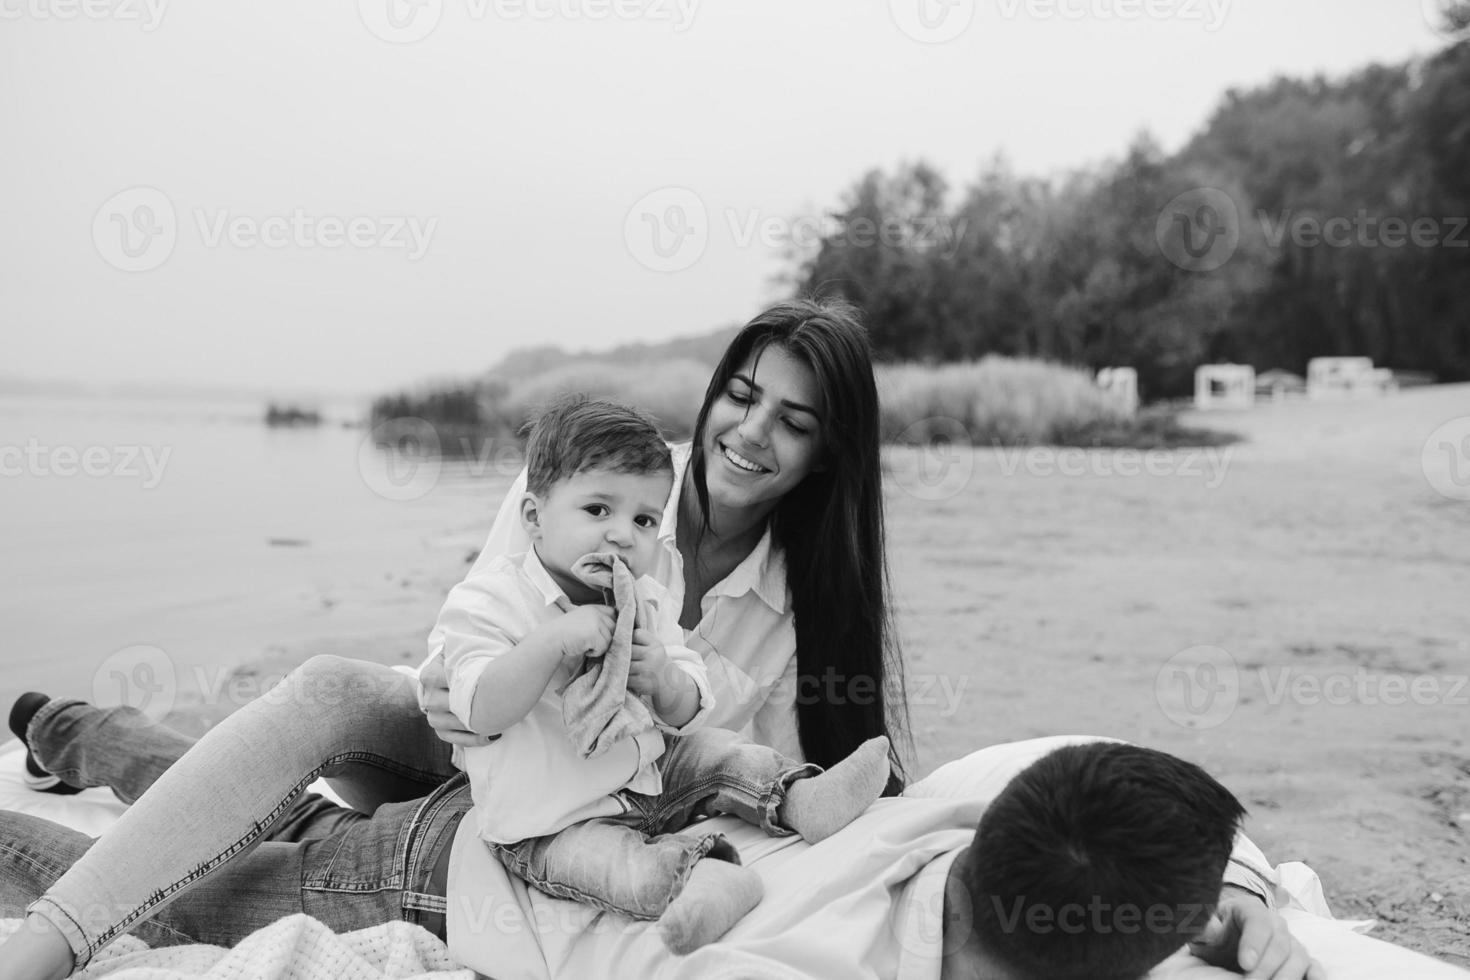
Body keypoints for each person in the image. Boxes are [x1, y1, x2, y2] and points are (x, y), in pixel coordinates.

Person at [0, 298, 912, 974]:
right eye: (742, 397)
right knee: (336, 690)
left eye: (792, 422)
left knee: (277, 819)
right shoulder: (608, 477)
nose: (750, 434)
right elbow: (470, 650)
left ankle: (70, 728)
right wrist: (479, 680)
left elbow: (762, 780)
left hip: (587, 797)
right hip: (469, 737)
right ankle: (57, 856)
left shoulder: (807, 607)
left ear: (827, 451)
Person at [0, 737, 1336, 980]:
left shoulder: (986, 804)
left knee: (213, 791)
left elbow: (1129, 778)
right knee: (141, 878)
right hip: (439, 876)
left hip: (546, 830)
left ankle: (52, 720)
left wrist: (1232, 889)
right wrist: (1228, 894)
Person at [427, 395, 892, 951]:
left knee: (718, 751)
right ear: (533, 518)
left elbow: (692, 701)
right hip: (553, 822)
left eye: (644, 519)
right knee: (612, 867)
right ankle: (705, 879)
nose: (622, 534)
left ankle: (798, 796)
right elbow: (480, 709)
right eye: (598, 510)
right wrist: (549, 643)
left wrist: (664, 678)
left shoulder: (642, 598)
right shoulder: (490, 601)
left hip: (649, 776)